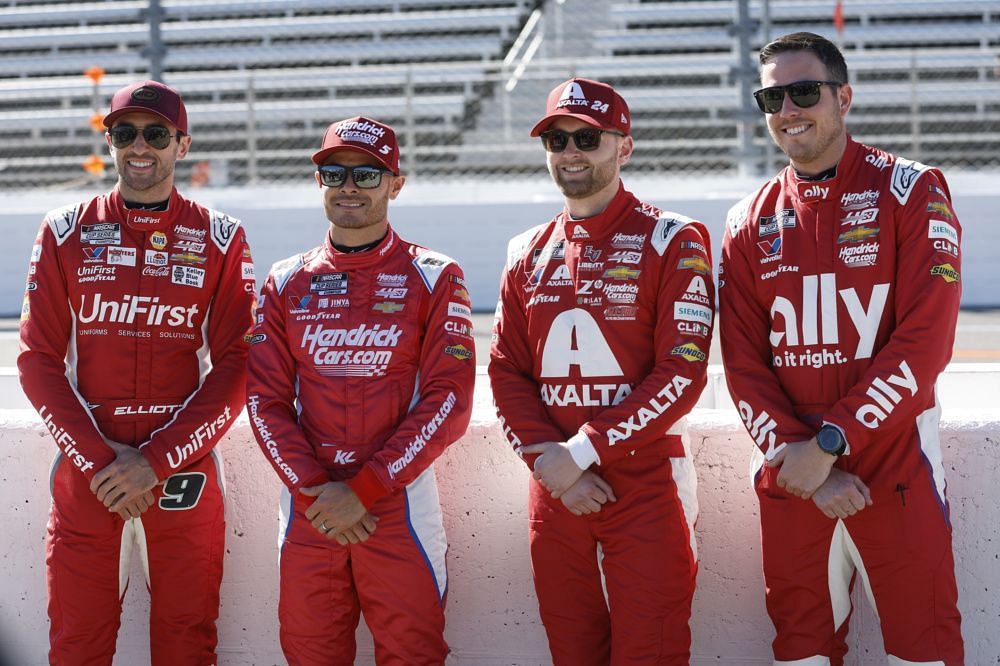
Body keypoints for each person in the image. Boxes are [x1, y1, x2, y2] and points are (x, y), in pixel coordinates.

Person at [719, 32, 964, 665]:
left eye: (804, 91)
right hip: (793, 475)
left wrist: (830, 445)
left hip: (895, 466)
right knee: (799, 653)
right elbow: (743, 364)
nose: (788, 110)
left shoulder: (913, 188)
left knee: (925, 652)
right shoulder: (747, 218)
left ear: (843, 97)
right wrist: (795, 457)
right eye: (772, 96)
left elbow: (925, 344)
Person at [18, 80, 255, 664]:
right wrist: (104, 465)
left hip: (182, 474)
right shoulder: (64, 230)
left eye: (155, 133)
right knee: (75, 642)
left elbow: (240, 365)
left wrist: (155, 461)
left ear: (182, 143)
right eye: (124, 133)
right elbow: (36, 361)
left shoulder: (221, 238)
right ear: (111, 143)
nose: (139, 146)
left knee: (186, 641)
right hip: (87, 472)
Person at [489, 78, 713, 664]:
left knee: (653, 652)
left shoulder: (674, 238)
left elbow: (682, 372)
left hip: (645, 484)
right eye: (557, 139)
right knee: (572, 652)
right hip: (554, 486)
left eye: (587, 138)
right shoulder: (524, 250)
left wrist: (582, 452)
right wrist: (552, 464)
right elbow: (506, 371)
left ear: (624, 147)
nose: (570, 152)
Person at [246, 116, 475, 665]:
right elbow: (264, 401)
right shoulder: (283, 281)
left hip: (398, 504)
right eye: (335, 172)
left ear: (396, 183)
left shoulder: (436, 275)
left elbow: (450, 400)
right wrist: (317, 489)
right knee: (309, 654)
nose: (349, 186)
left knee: (413, 655)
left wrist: (366, 488)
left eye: (368, 174)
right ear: (318, 181)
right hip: (311, 505)